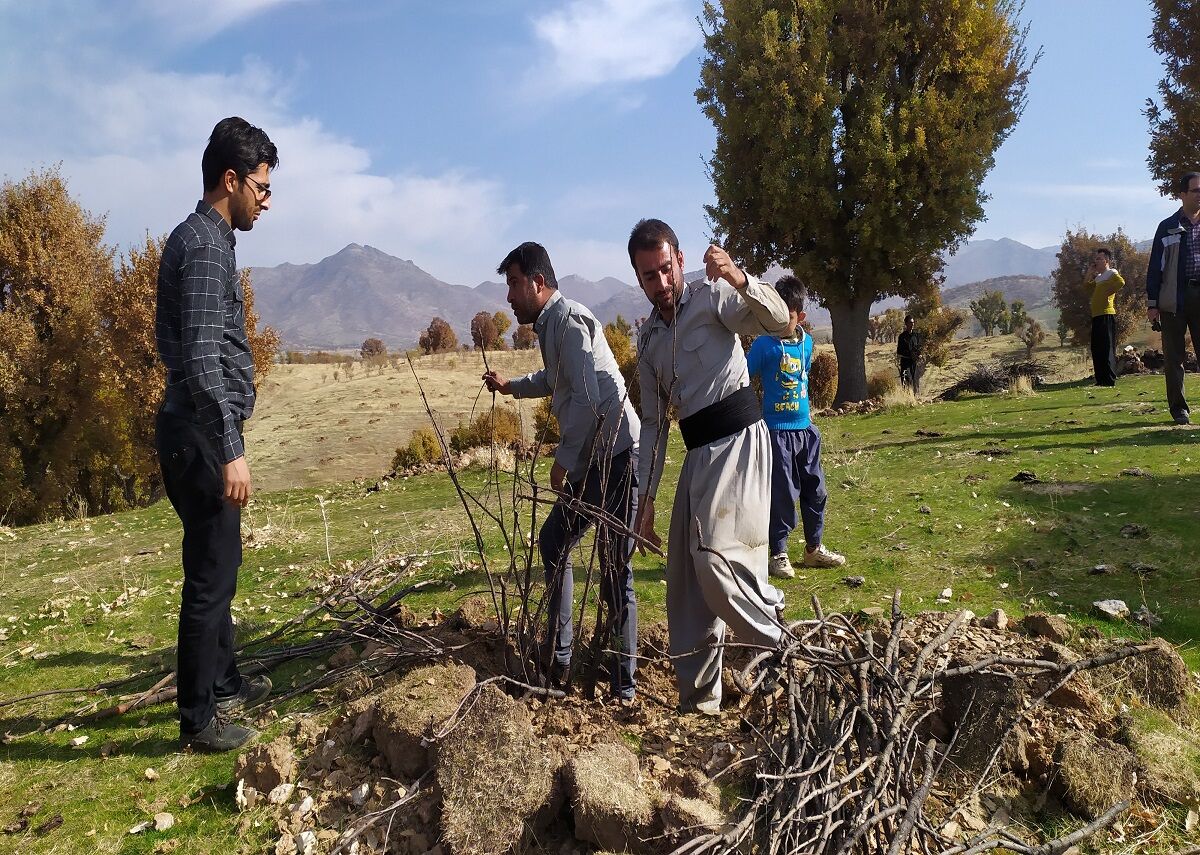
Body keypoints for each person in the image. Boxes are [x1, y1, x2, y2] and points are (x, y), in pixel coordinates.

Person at [630, 218, 791, 715]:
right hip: (698, 454)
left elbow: (780, 322)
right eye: (648, 277)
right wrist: (646, 500)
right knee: (684, 580)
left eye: (664, 269)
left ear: (680, 259)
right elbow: (654, 426)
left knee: (714, 560)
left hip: (739, 441)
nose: (659, 284)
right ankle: (700, 703)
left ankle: (777, 640)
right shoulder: (649, 341)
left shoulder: (713, 297)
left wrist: (740, 277)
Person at [155, 118, 278, 751]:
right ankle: (198, 718)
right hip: (200, 434)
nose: (266, 198)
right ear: (228, 180)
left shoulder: (206, 240)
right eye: (260, 185)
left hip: (192, 429)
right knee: (210, 572)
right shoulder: (204, 247)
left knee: (220, 558)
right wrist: (231, 449)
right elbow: (202, 363)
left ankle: (222, 680)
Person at [482, 242, 641, 701]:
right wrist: (510, 386)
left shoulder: (569, 324)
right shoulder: (552, 327)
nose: (509, 297)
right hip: (595, 455)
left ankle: (624, 688)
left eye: (513, 284)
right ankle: (562, 658)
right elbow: (556, 381)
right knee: (555, 541)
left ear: (537, 282)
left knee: (614, 569)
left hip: (616, 456)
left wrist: (564, 463)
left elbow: (589, 405)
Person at [746, 276, 846, 580]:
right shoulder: (763, 345)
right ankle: (778, 553)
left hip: (806, 430)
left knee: (816, 491)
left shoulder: (807, 343)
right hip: (776, 433)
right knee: (782, 494)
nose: (776, 321)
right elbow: (742, 379)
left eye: (785, 315)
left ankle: (813, 549)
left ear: (799, 316)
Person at [1147, 171, 1200, 425]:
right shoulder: (1166, 227)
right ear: (1182, 195)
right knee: (1174, 358)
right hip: (1174, 299)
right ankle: (1179, 410)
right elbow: (1155, 266)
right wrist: (1152, 303)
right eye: (1196, 191)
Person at [1086, 247, 1125, 387]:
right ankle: (1100, 379)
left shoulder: (1111, 273)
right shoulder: (1098, 278)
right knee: (1097, 348)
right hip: (1096, 315)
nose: (1096, 261)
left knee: (1107, 347)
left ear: (1107, 260)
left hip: (1106, 314)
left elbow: (1121, 282)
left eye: (1099, 258)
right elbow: (1086, 287)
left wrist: (1110, 291)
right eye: (1096, 259)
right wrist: (1089, 273)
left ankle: (1109, 380)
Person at [896, 314, 921, 393]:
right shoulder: (902, 337)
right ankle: (907, 398)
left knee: (915, 380)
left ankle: (915, 398)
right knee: (906, 380)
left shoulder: (916, 335)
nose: (912, 324)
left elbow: (919, 348)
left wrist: (919, 354)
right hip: (905, 362)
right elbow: (899, 352)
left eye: (913, 322)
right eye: (910, 322)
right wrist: (910, 354)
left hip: (914, 363)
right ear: (906, 324)